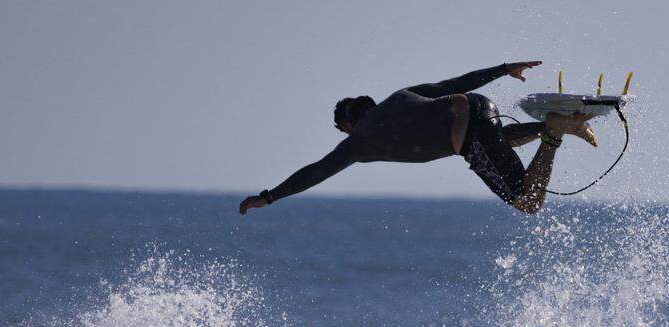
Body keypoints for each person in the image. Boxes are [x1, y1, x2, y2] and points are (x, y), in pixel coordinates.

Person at [239, 61, 596, 216]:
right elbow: (453, 85)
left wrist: (269, 197)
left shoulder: (358, 141)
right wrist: (503, 70)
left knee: (528, 202)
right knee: (491, 140)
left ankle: (553, 130)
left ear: (348, 126)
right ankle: (563, 124)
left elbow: (317, 171)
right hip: (479, 109)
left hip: (467, 132)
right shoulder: (400, 96)